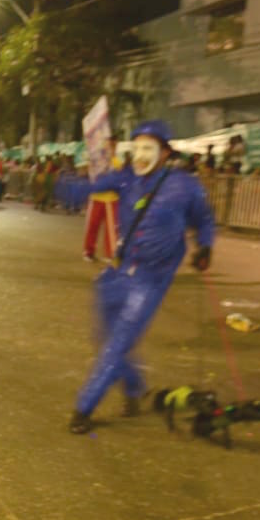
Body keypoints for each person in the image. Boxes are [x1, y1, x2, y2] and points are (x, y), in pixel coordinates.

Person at [69, 120, 215, 434]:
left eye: (148, 148)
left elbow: (204, 219)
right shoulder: (125, 179)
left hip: (151, 277)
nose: (141, 154)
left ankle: (84, 408)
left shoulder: (184, 186)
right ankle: (134, 389)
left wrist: (205, 246)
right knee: (106, 338)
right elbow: (89, 189)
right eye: (136, 147)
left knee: (119, 341)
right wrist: (66, 184)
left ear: (164, 153)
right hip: (118, 269)